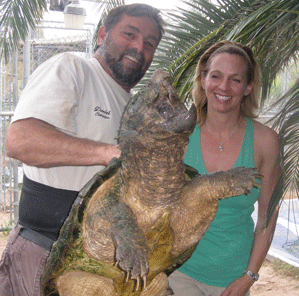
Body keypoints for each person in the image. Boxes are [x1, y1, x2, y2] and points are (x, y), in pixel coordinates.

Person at [0, 4, 165, 296]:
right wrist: (108, 153)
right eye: (130, 34)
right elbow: (20, 141)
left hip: (101, 265)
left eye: (149, 43)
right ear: (102, 34)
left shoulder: (134, 106)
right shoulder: (72, 68)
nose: (139, 47)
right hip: (45, 252)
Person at [168, 40, 280, 296]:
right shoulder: (180, 135)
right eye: (216, 76)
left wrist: (249, 277)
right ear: (203, 79)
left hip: (232, 281)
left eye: (236, 80)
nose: (224, 87)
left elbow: (267, 218)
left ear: (248, 87)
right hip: (178, 274)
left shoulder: (265, 141)